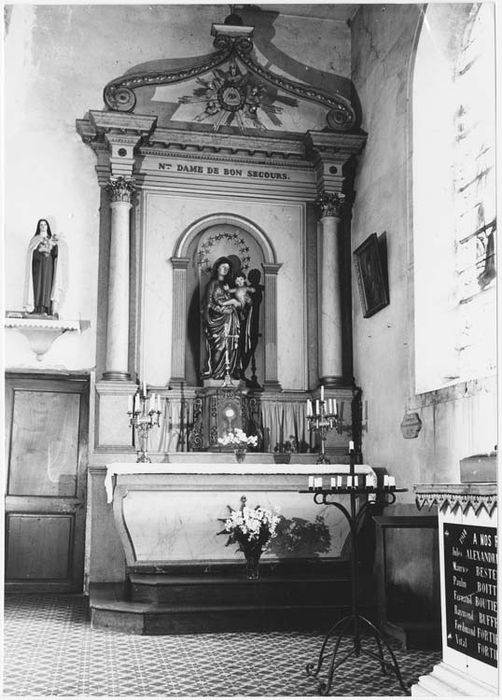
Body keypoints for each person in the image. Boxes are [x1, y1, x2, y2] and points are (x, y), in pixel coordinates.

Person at [201, 257, 242, 380]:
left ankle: (228, 373)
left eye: (228, 268)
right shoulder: (212, 284)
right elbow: (208, 304)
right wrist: (222, 310)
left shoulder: (227, 286)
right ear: (217, 268)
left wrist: (235, 305)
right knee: (219, 347)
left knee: (231, 347)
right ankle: (216, 374)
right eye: (223, 267)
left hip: (231, 320)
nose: (225, 270)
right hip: (216, 321)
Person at [23, 219, 60, 316]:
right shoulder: (35, 239)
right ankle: (36, 308)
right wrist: (39, 249)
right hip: (37, 267)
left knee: (47, 285)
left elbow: (55, 255)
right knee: (37, 285)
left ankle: (46, 309)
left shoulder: (50, 238)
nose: (43, 227)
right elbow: (30, 253)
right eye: (41, 225)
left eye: (45, 225)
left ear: (48, 227)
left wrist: (53, 245)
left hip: (48, 266)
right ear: (38, 227)